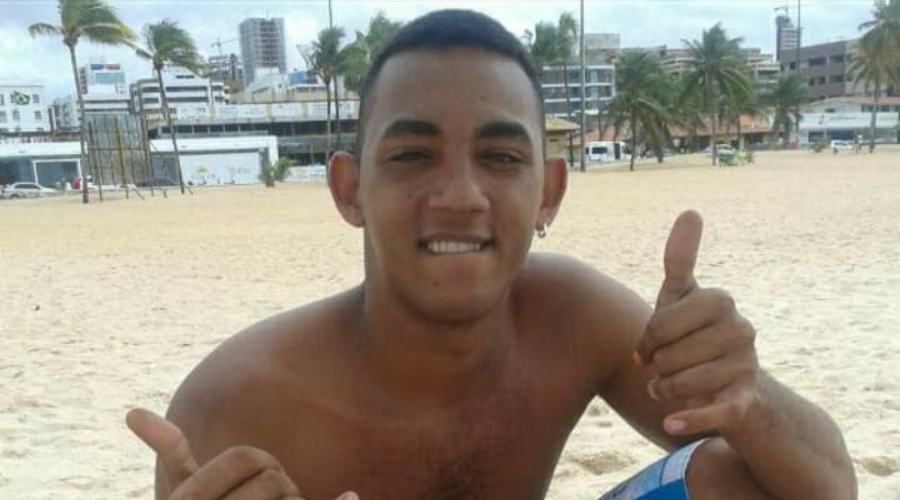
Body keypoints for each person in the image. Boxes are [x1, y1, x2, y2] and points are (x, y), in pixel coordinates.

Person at [127, 10, 855, 500]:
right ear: (350, 190)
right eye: (413, 154)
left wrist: (748, 395)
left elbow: (832, 488)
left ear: (548, 192)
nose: (459, 196)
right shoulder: (236, 403)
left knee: (733, 477)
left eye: (501, 157)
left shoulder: (572, 316)